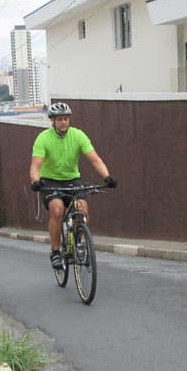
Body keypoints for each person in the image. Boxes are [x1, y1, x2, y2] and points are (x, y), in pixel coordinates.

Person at [29, 102, 117, 270]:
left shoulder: (78, 135)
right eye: (59, 119)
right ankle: (56, 251)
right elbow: (35, 166)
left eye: (66, 119)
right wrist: (35, 181)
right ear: (52, 121)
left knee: (82, 208)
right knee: (57, 210)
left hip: (72, 179)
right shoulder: (43, 138)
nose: (63, 122)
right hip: (49, 181)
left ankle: (79, 242)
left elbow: (95, 159)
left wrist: (107, 176)